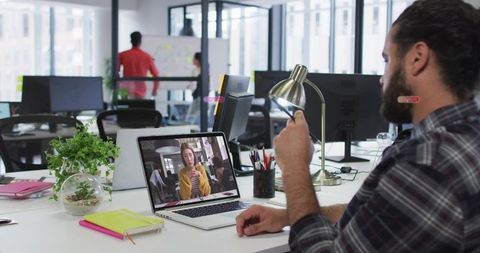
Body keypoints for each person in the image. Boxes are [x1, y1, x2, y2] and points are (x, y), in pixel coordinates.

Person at [236, 0, 480, 252]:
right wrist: (289, 215)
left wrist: (295, 168)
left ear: (417, 58)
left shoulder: (428, 164)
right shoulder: (465, 138)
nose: (382, 78)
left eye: (387, 60)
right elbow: (378, 217)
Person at [118, 31, 160, 99]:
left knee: (124, 108)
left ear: (131, 41)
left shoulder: (123, 55)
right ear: (140, 41)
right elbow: (156, 75)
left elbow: (115, 72)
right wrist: (154, 91)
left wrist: (119, 86)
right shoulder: (147, 56)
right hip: (140, 92)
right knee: (139, 108)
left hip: (125, 91)